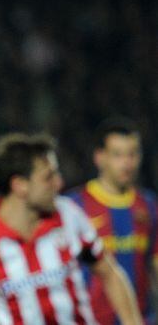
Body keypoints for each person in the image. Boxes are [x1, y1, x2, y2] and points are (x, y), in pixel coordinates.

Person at [0, 133, 142, 325]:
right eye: (48, 177)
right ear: (20, 185)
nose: (59, 183)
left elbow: (110, 272)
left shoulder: (68, 215)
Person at [68, 118, 158, 324]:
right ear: (99, 157)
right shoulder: (74, 207)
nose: (127, 163)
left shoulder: (149, 205)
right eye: (117, 155)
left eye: (133, 154)